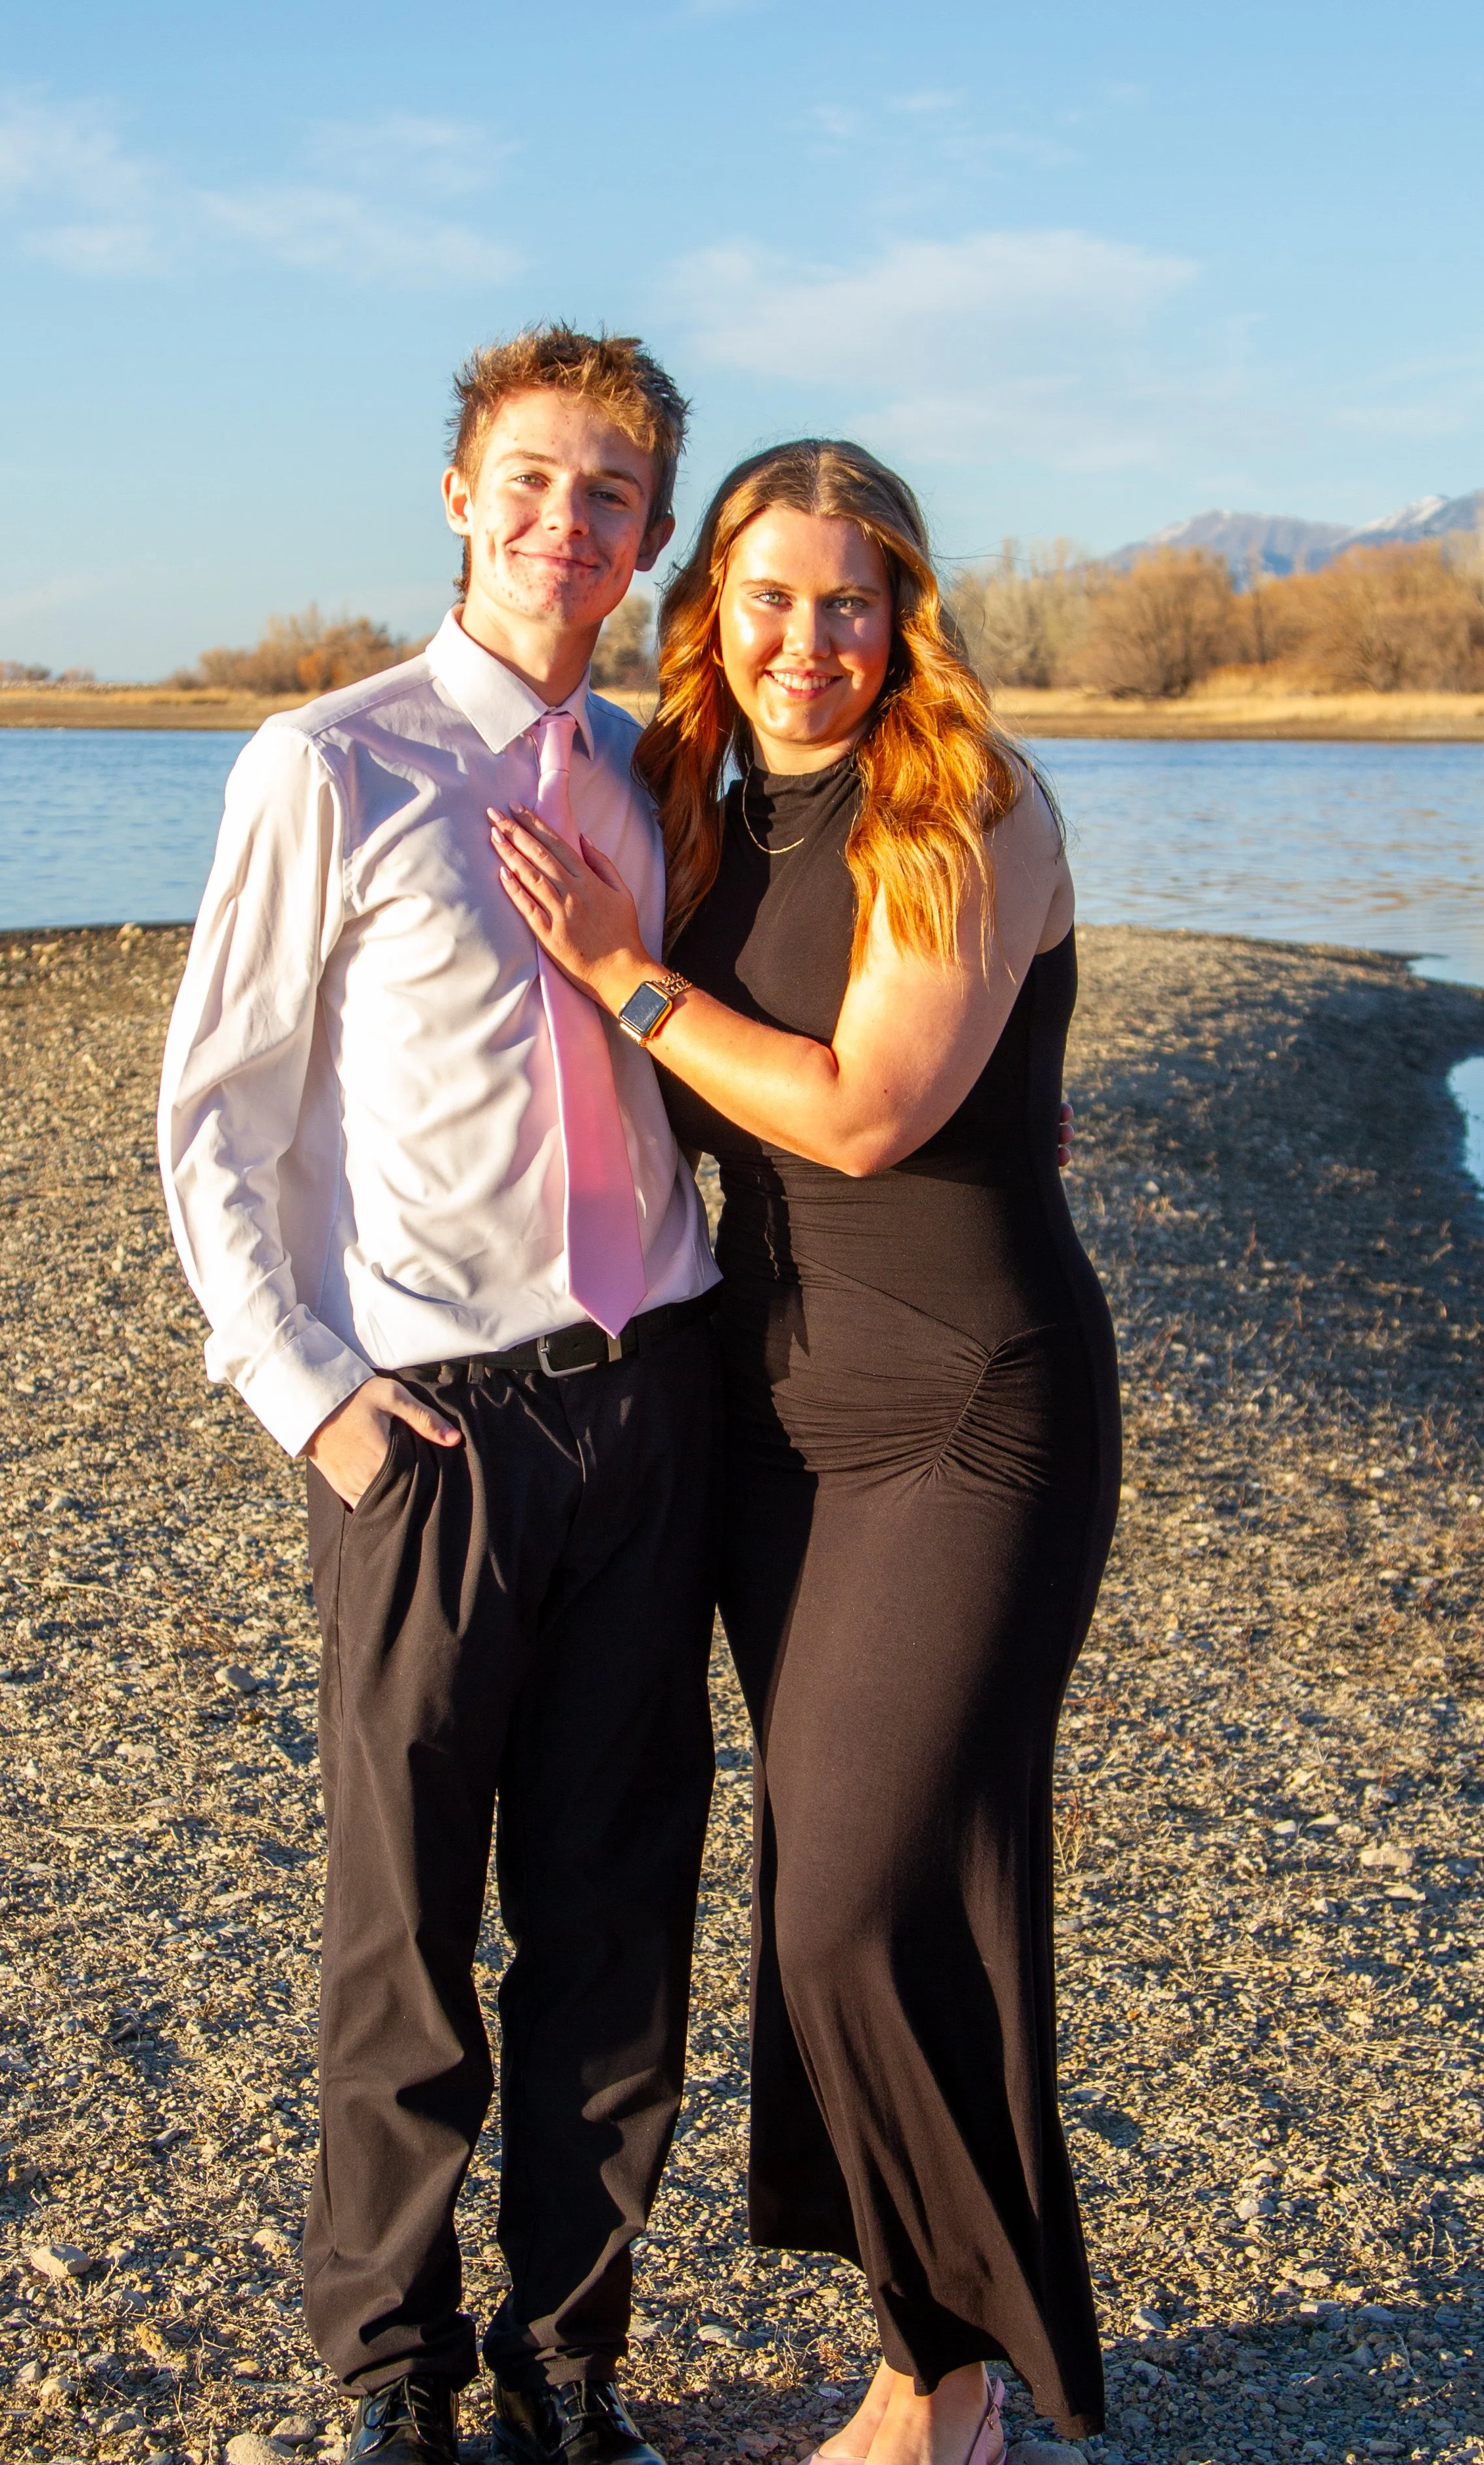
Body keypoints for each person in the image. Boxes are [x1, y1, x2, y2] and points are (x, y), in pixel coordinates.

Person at [489, 438, 1121, 2465]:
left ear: (902, 613)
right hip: (774, 1427)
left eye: (847, 601)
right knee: (895, 1880)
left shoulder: (970, 803)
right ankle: (941, 2344)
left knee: (849, 1892)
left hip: (973, 1412)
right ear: (711, 611)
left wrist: (622, 969)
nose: (805, 640)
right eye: (766, 596)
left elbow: (858, 1110)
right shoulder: (696, 800)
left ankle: (942, 2387)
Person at [157, 327, 724, 2465]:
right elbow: (211, 1119)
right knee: (402, 1929)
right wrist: (304, 1389)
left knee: (612, 1907)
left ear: (650, 536)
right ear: (463, 496)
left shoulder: (666, 775)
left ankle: (571, 2361)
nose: (566, 524)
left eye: (609, 496)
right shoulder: (333, 763)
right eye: (532, 480)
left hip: (648, 1408)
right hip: (434, 1432)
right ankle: (389, 2375)